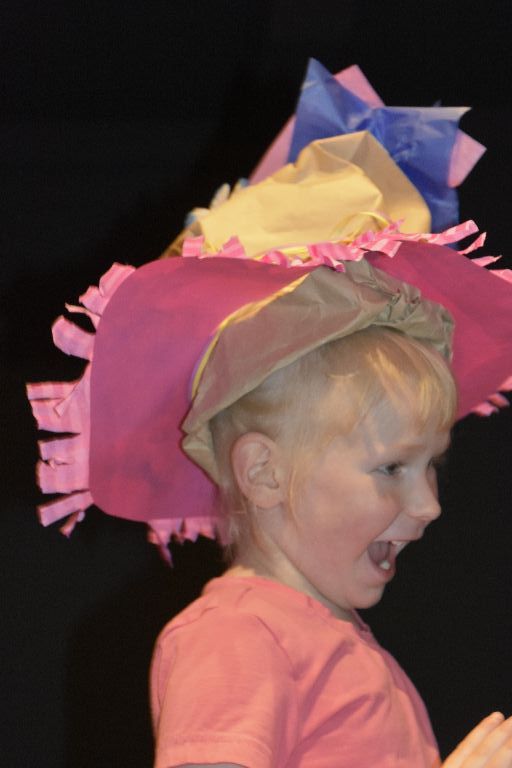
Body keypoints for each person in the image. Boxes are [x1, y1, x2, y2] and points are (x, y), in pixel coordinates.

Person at [27, 62, 512, 767]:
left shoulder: (332, 645)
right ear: (262, 471)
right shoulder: (240, 634)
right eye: (392, 468)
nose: (430, 504)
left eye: (429, 465)